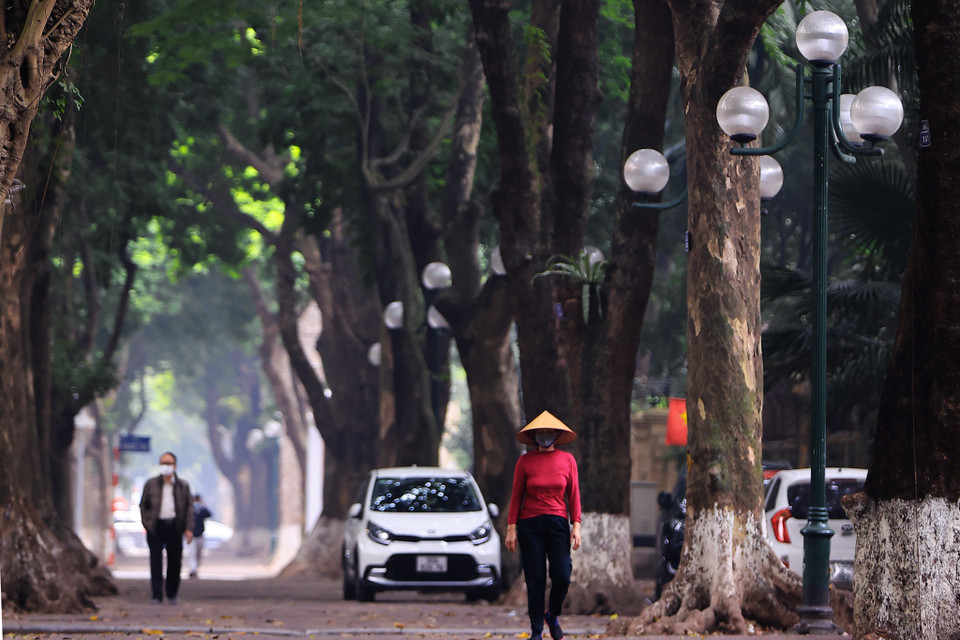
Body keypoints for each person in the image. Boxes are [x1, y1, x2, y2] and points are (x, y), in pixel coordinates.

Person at [505, 411, 582, 640]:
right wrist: (511, 528)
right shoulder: (525, 461)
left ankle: (553, 614)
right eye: (541, 432)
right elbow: (516, 495)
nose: (546, 436)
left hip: (558, 523)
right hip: (530, 525)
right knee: (535, 578)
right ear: (535, 435)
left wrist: (576, 525)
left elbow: (574, 494)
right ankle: (537, 630)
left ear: (557, 435)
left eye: (550, 432)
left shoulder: (567, 460)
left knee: (562, 575)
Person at [140, 451, 194, 604]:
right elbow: (143, 506)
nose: (166, 466)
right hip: (156, 527)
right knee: (155, 561)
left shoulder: (183, 486)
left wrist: (189, 528)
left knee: (175, 562)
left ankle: (172, 594)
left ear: (175, 466)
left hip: (175, 527)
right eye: (163, 463)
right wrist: (147, 523)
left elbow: (190, 508)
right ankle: (156, 595)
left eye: (169, 463)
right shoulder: (151, 484)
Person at [187, 494, 213, 578]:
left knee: (198, 554)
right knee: (192, 554)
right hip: (192, 536)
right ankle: (192, 569)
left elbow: (209, 514)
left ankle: (195, 568)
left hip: (200, 535)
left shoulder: (201, 510)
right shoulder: (189, 510)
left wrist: (203, 505)